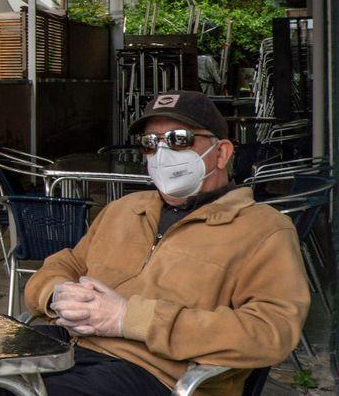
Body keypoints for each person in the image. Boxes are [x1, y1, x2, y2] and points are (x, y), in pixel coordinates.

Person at [24, 90, 310, 395]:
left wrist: (128, 319)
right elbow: (65, 263)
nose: (162, 152)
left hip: (151, 372)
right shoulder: (125, 209)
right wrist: (55, 295)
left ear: (222, 153)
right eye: (150, 143)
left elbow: (272, 332)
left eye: (178, 139)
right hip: (62, 346)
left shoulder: (262, 229)